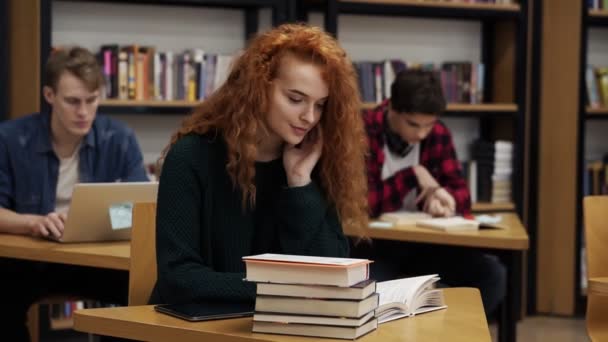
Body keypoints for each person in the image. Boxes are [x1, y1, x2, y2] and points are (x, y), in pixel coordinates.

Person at [150, 23, 369, 305]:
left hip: (284, 325)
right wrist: (282, 289)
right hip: (201, 324)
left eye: (321, 104)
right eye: (295, 99)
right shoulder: (191, 156)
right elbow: (178, 277)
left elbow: (332, 270)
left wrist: (300, 182)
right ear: (257, 88)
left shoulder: (311, 160)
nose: (309, 117)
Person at [0, 46, 148, 341]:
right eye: (72, 101)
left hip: (99, 262)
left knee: (146, 292)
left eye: (91, 101)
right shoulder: (11, 139)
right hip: (31, 262)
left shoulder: (119, 138)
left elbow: (144, 209)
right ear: (49, 96)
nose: (83, 112)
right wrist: (33, 223)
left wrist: (102, 219)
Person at [359, 69, 506, 316]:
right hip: (374, 246)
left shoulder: (437, 133)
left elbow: (462, 195)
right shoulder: (363, 129)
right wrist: (412, 174)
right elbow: (362, 202)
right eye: (413, 124)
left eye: (429, 124)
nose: (422, 134)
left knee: (492, 275)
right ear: (392, 109)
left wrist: (446, 200)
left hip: (428, 244)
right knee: (369, 293)